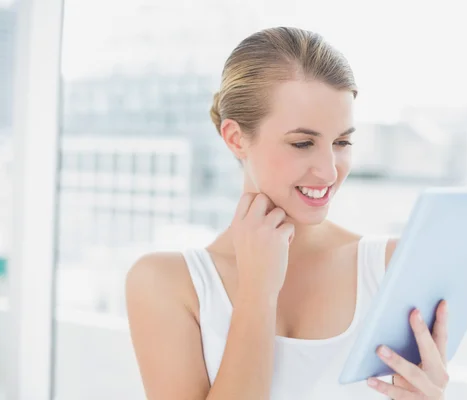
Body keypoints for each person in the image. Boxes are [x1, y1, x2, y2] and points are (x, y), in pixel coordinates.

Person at [125, 26, 449, 400]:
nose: (329, 171)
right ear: (235, 138)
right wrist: (258, 292)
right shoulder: (167, 284)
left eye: (342, 142)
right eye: (302, 143)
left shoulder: (393, 268)